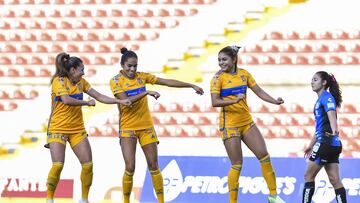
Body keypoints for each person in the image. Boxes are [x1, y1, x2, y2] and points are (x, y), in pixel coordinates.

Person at [109, 47, 204, 203]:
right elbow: (126, 101)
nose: (132, 69)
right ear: (122, 65)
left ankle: (161, 201)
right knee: (130, 167)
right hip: (128, 128)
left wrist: (190, 85)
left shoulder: (142, 77)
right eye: (129, 66)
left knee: (153, 165)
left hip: (146, 127)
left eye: (135, 66)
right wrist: (146, 93)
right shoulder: (115, 81)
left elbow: (166, 82)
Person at [45, 52, 131, 203]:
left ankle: (84, 199)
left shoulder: (82, 82)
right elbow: (66, 100)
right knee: (58, 165)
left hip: (77, 129)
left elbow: (98, 96)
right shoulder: (59, 81)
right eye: (81, 69)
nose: (83, 72)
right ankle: (49, 199)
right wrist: (86, 103)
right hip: (57, 128)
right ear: (73, 70)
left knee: (88, 165)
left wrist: (119, 102)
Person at [210, 46, 286, 203]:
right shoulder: (217, 79)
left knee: (264, 156)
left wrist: (274, 101)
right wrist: (234, 100)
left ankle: (273, 196)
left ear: (234, 60)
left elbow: (259, 91)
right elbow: (215, 102)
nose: (221, 63)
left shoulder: (244, 74)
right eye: (219, 60)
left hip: (246, 122)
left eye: (224, 59)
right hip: (229, 125)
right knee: (237, 164)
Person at [302, 71, 347, 203]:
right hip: (333, 144)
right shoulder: (321, 99)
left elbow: (331, 113)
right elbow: (319, 129)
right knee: (335, 180)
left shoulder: (326, 97)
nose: (312, 82)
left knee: (308, 176)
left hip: (326, 142)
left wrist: (335, 131)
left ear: (324, 82)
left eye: (315, 79)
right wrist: (310, 145)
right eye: (312, 79)